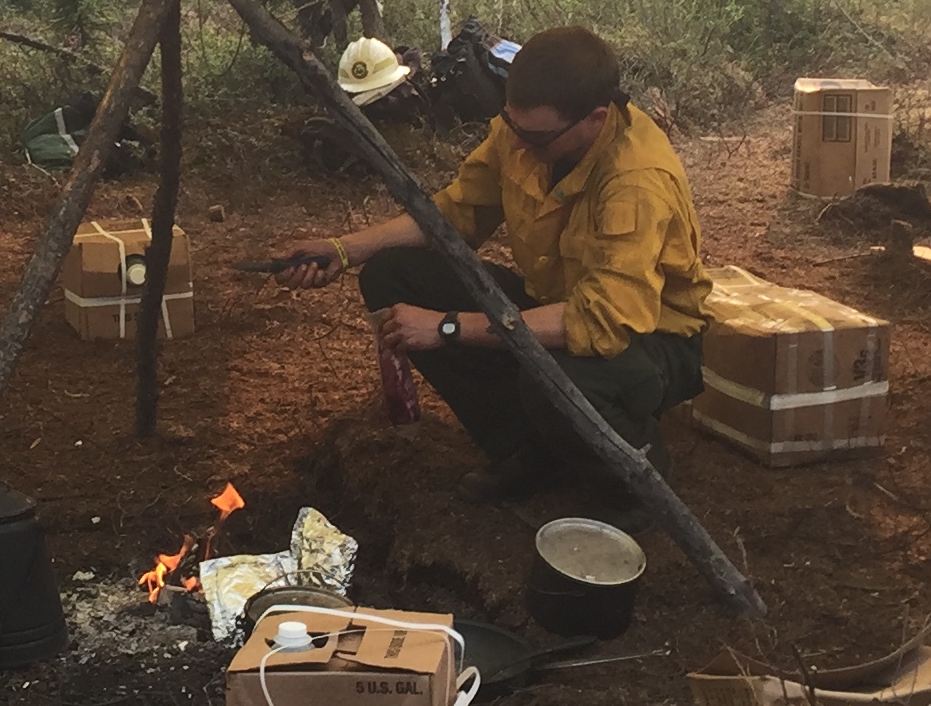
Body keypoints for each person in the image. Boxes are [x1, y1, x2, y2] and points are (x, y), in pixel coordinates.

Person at [270, 25, 709, 500]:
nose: (518, 146)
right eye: (512, 127)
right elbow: (455, 214)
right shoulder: (524, 130)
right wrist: (343, 249)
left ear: (595, 119)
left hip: (648, 340)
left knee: (559, 377)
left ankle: (633, 485)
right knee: (393, 274)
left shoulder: (636, 181)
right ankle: (529, 451)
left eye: (535, 138)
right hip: (556, 307)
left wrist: (448, 327)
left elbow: (600, 320)